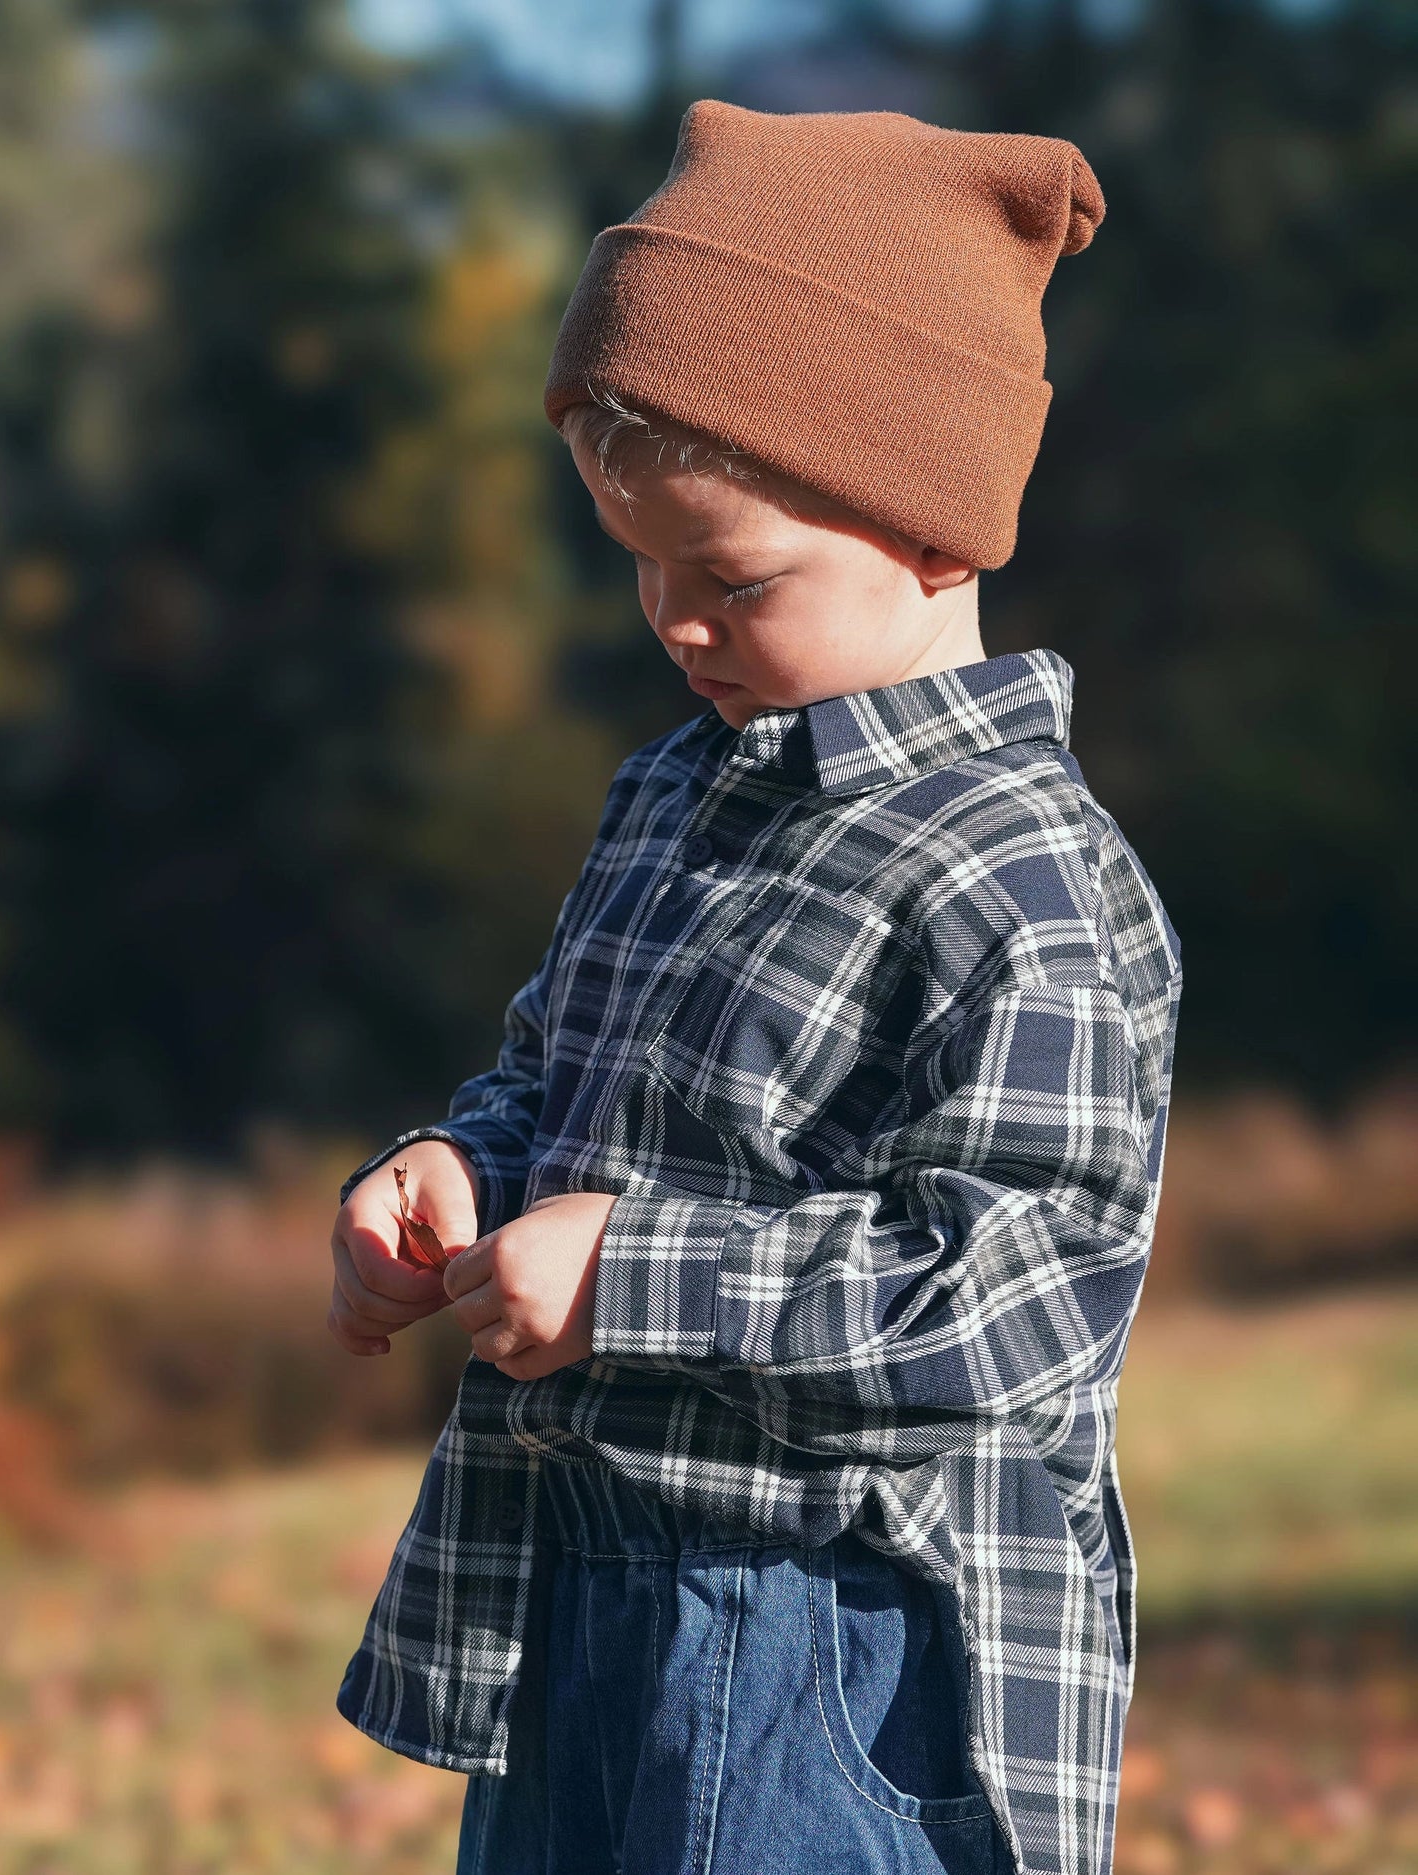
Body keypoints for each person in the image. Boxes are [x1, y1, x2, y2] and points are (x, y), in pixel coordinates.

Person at [325, 99, 1183, 1875]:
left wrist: (632, 1276)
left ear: (937, 532)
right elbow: (554, 1074)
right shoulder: (676, 795)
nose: (672, 620)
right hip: (578, 1596)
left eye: (733, 577)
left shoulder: (1019, 876)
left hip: (836, 1636)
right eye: (637, 562)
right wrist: (456, 1169)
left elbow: (1021, 1301)